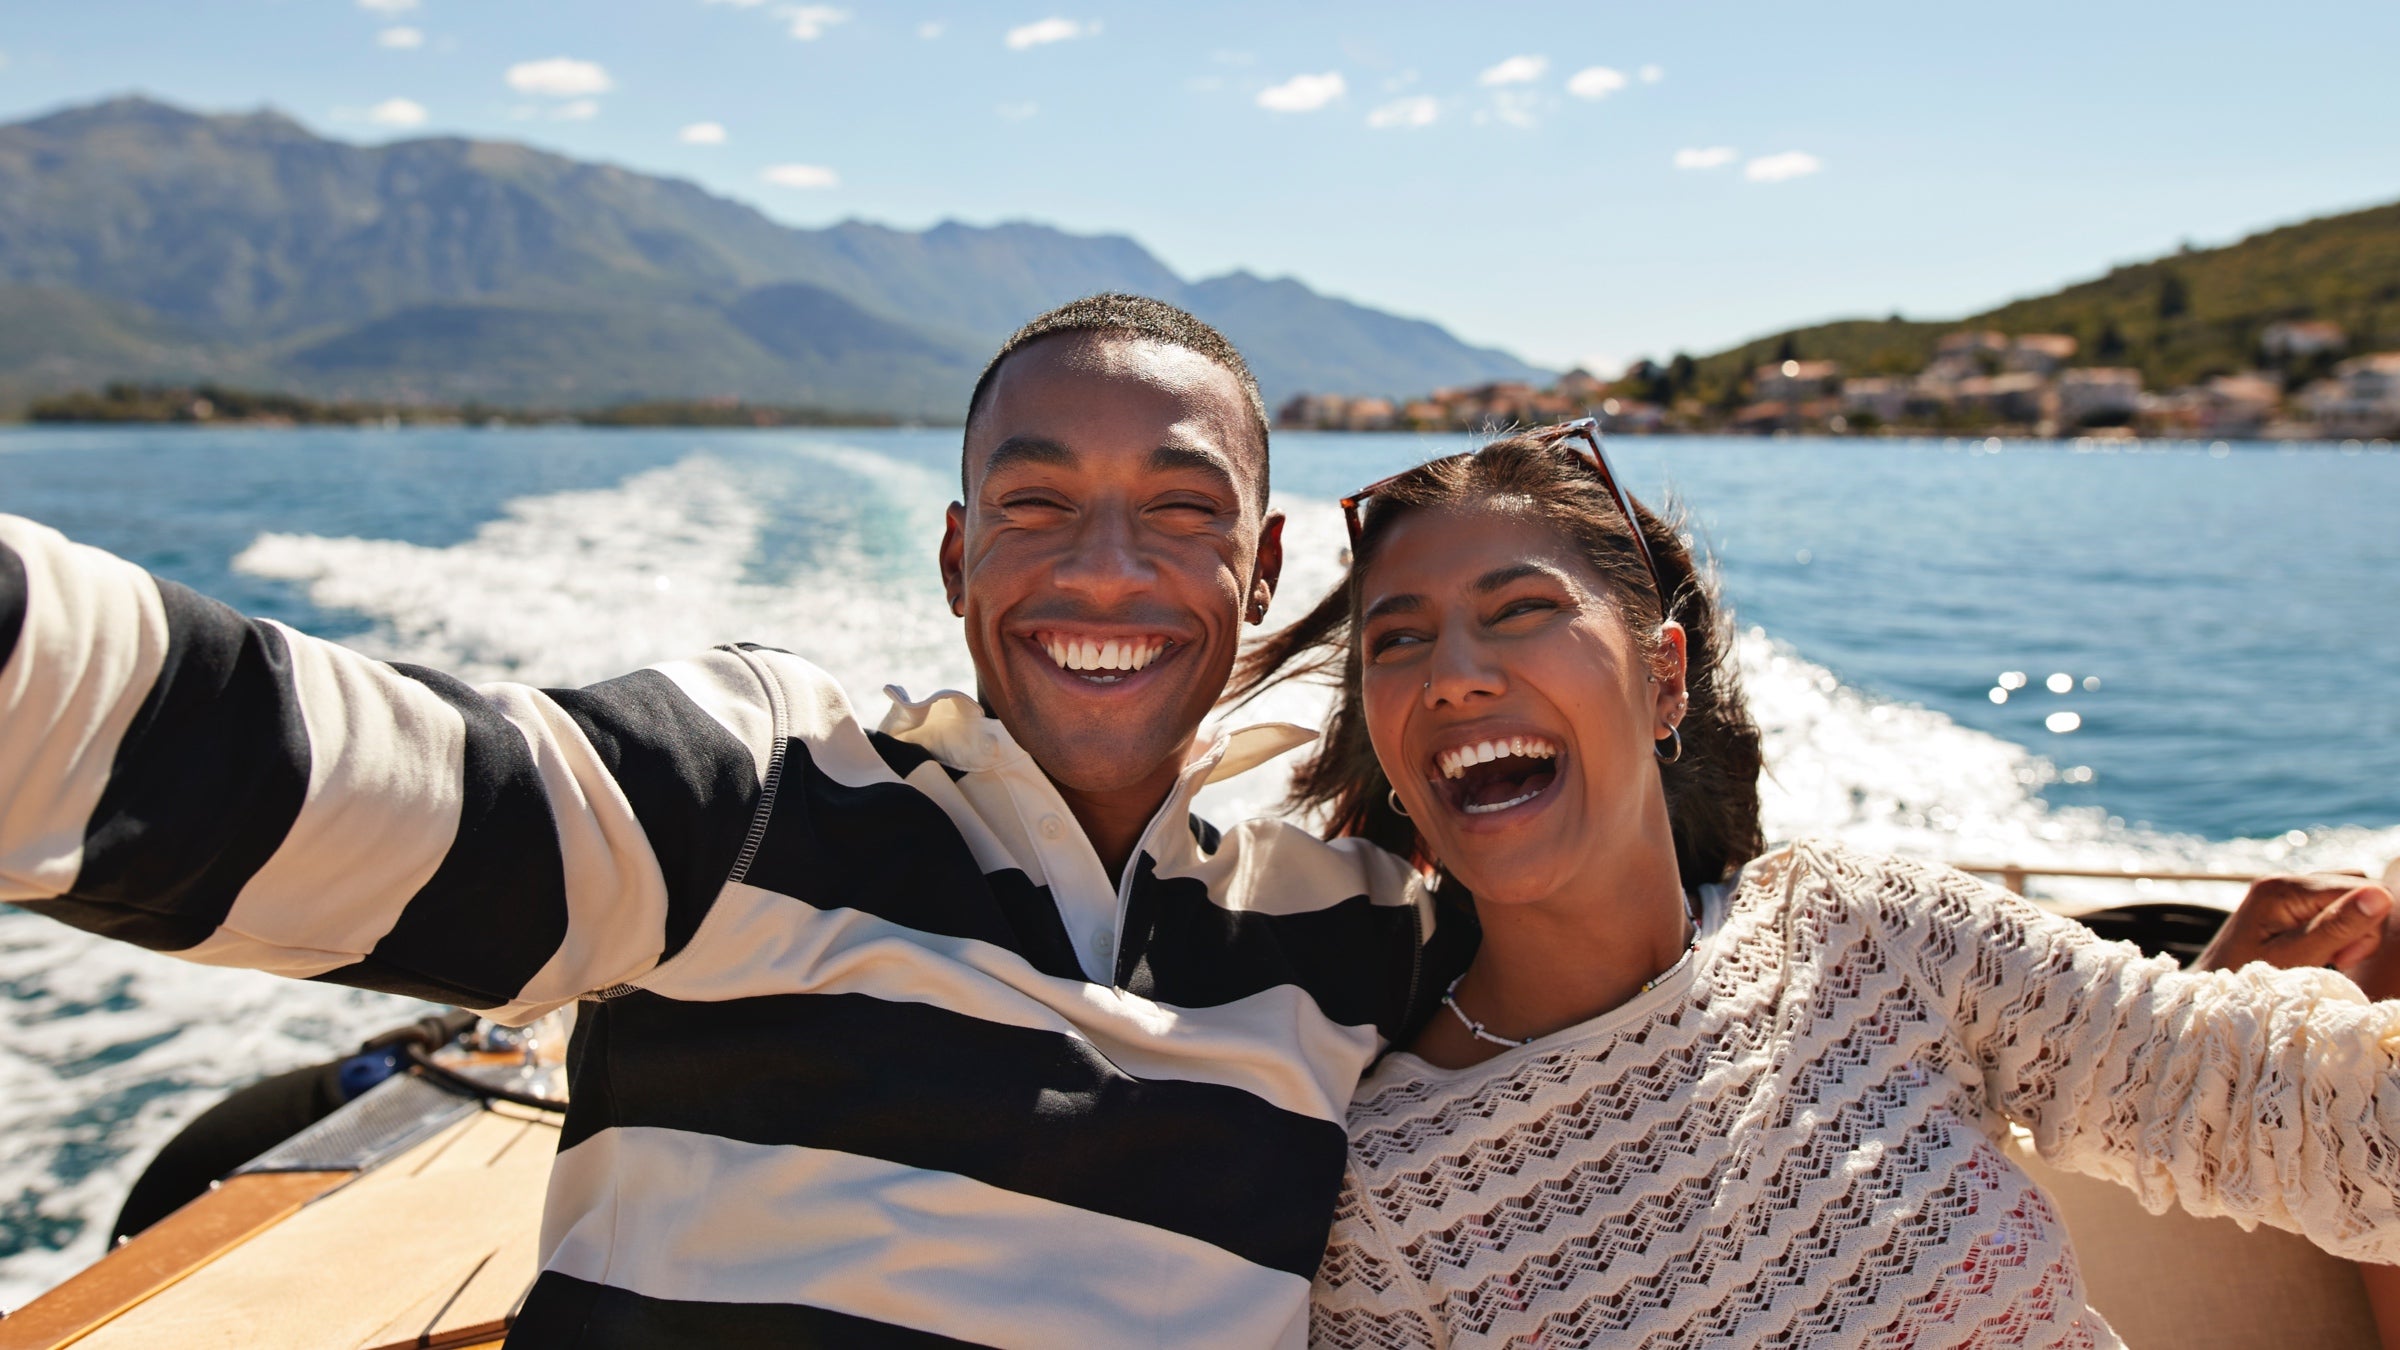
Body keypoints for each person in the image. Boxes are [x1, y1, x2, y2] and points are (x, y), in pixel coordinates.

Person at [0, 295, 1463, 1347]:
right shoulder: (763, 791)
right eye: (1035, 504)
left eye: (1184, 510)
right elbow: (337, 774)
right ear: (955, 559)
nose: (1105, 570)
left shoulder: (1359, 931)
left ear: (1262, 569)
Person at [1228, 422, 2400, 1348]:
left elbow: (2276, 1104)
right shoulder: (1389, 1200)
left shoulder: (1868, 932)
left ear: (1663, 678)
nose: (1453, 676)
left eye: (1520, 610)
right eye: (1398, 640)